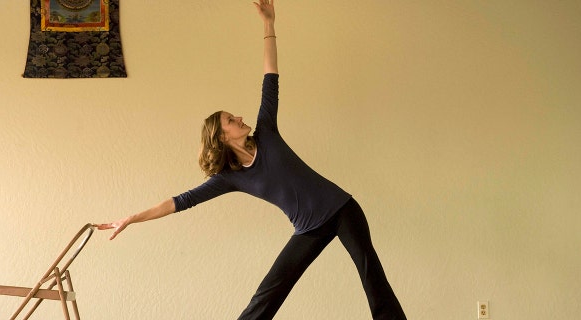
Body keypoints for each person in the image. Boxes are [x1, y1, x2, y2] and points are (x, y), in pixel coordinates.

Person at [96, 1, 407, 319]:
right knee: (268, 292)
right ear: (222, 137)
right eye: (231, 119)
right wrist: (131, 218)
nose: (239, 117)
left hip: (342, 209)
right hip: (308, 229)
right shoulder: (230, 177)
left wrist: (268, 25)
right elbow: (179, 201)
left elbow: (270, 76)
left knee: (373, 280)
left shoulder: (267, 132)